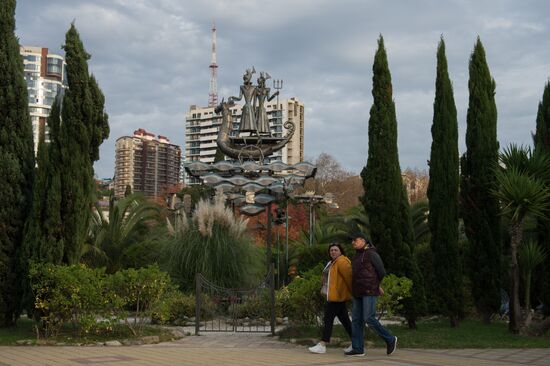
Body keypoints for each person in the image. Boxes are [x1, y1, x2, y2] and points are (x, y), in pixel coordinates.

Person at [345, 232, 397, 357]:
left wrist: (376, 285)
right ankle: (358, 348)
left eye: (354, 240)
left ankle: (390, 339)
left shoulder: (372, 254)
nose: (352, 242)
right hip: (357, 292)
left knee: (369, 318)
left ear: (363, 240)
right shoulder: (356, 256)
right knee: (356, 320)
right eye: (351, 240)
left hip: (369, 291)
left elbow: (381, 272)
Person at [308, 243, 353, 354]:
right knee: (345, 321)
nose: (333, 252)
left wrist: (353, 293)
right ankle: (357, 342)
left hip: (337, 296)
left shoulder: (342, 262)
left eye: (335, 250)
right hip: (333, 295)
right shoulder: (332, 262)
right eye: (331, 250)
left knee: (328, 319)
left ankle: (323, 344)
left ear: (340, 251)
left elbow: (350, 278)